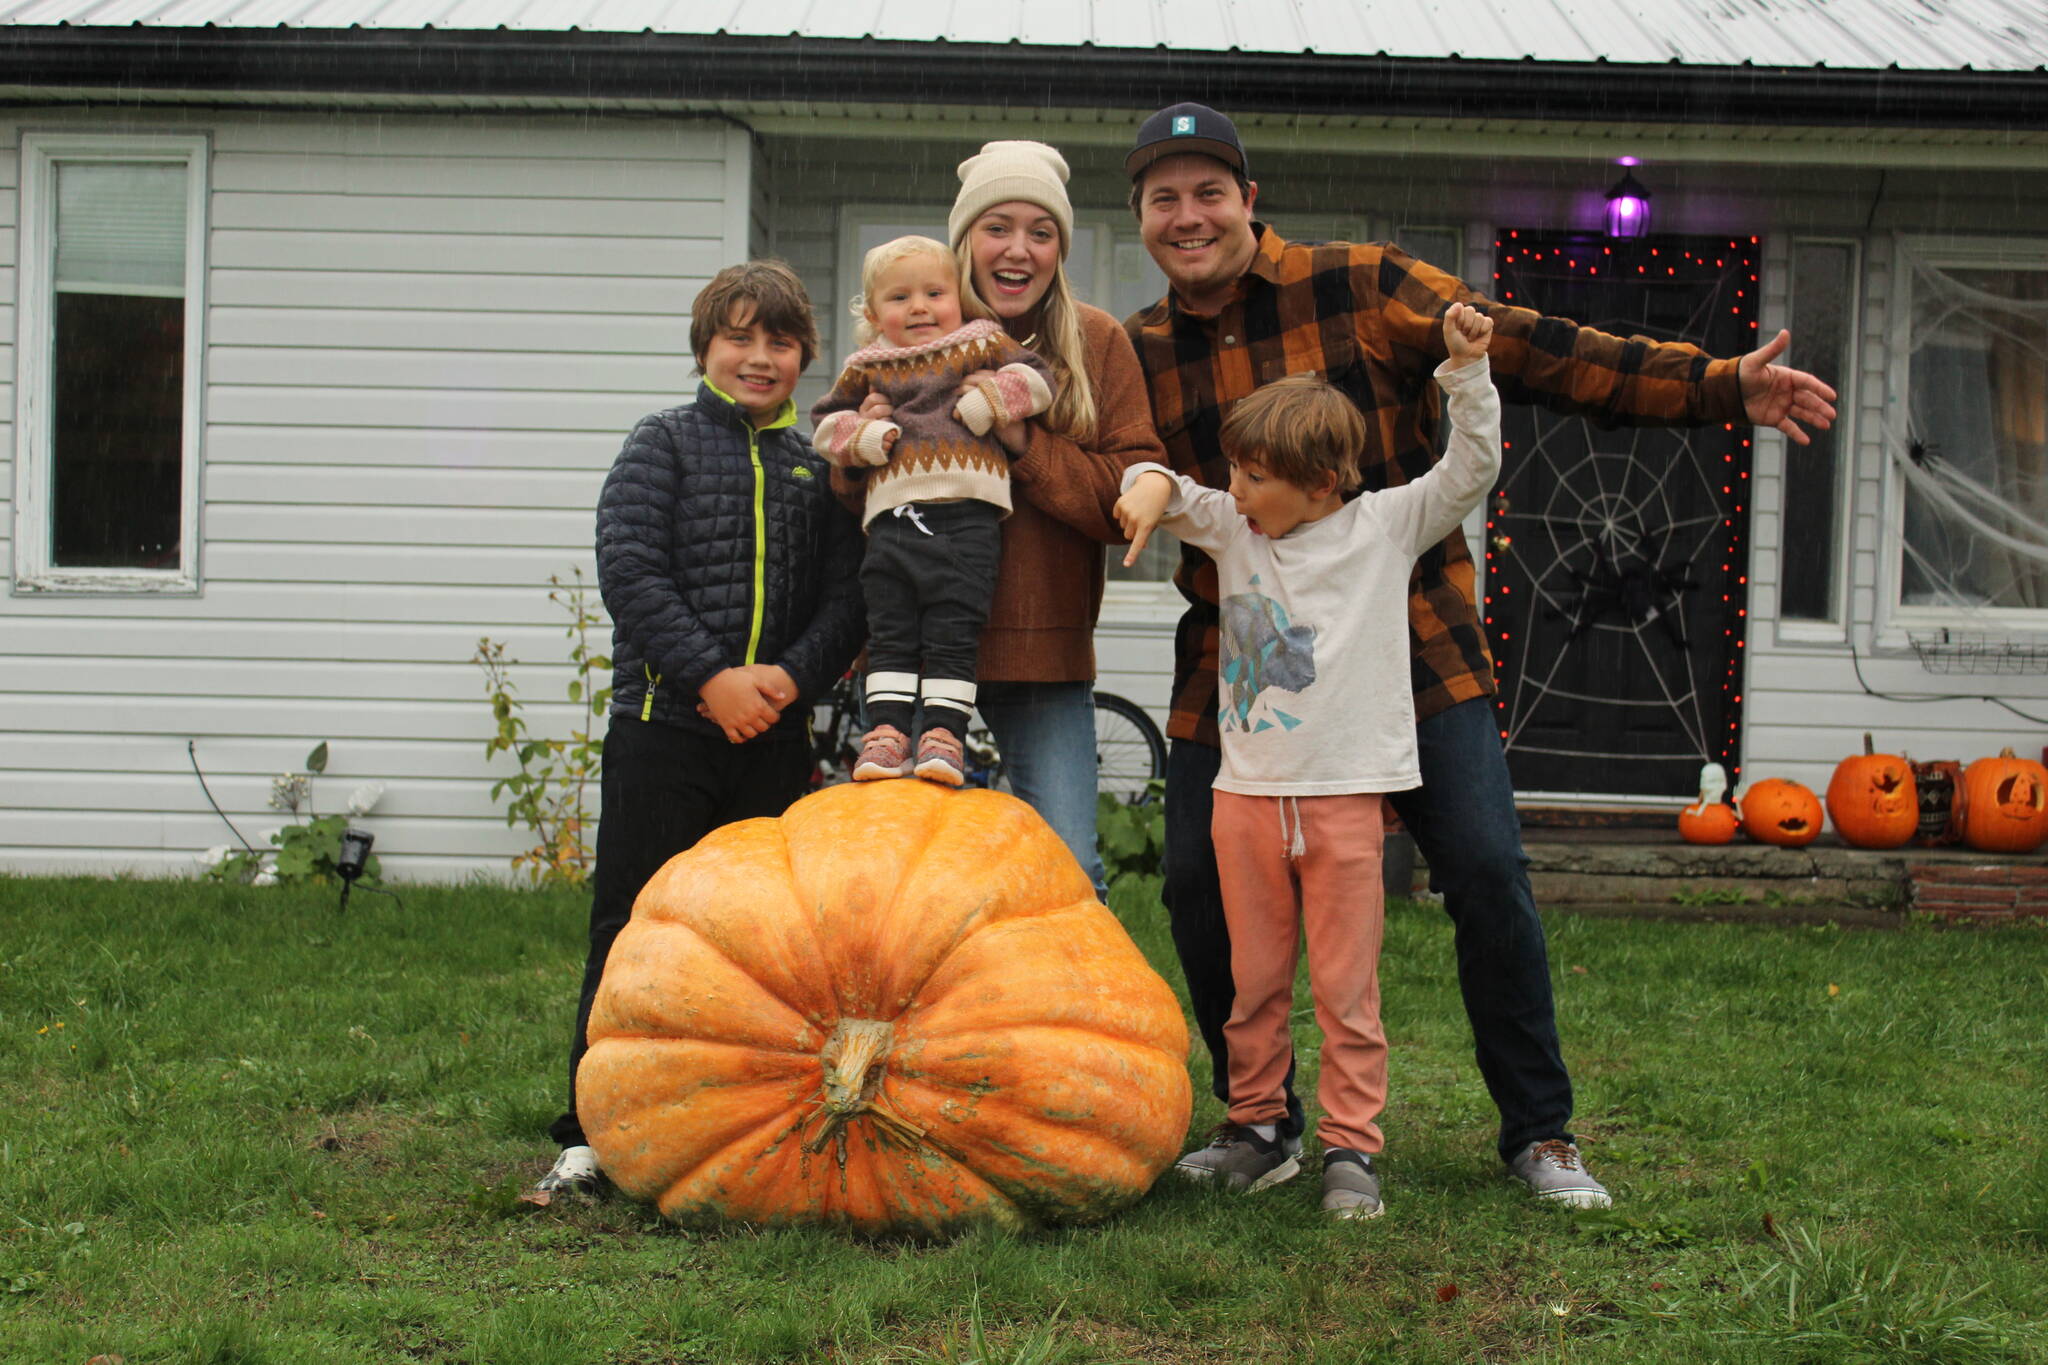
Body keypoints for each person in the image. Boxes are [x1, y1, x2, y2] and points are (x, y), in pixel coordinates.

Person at [1122, 102, 1839, 1208]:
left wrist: (1713, 385)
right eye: (1162, 198)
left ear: (1247, 200)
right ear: (1139, 216)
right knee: (1190, 885)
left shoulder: (1358, 284)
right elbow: (1108, 460)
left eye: (1206, 191)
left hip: (1413, 645)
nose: (1187, 216)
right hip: (1246, 669)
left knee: (1488, 874)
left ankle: (1537, 1133)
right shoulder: (1139, 351)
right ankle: (1257, 1122)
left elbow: (1531, 349)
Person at [1114, 304, 1503, 1219]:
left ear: (1322, 480)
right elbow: (1168, 487)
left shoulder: (1384, 526)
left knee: (1344, 986)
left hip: (1344, 802)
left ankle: (1352, 1149)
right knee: (1254, 981)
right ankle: (1258, 1129)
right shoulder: (1235, 528)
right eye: (1235, 473)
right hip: (1245, 798)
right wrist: (1142, 487)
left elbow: (1471, 468)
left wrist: (1467, 375)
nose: (1235, 489)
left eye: (1253, 476)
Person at [534, 259, 865, 1197]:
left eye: (781, 341)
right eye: (740, 337)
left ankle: (722, 1119)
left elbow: (848, 596)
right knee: (632, 926)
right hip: (664, 730)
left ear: (805, 357)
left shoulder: (818, 468)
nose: (760, 357)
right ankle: (589, 1133)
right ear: (706, 348)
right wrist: (714, 679)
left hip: (773, 742)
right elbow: (631, 576)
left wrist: (788, 681)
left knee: (756, 944)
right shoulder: (663, 446)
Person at [942, 139, 1168, 891]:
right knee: (921, 879)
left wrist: (1025, 443)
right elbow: (854, 486)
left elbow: (1122, 493)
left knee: (1072, 869)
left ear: (1060, 249)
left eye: (1041, 232)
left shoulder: (1099, 343)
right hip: (920, 644)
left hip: (1043, 653)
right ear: (964, 238)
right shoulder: (919, 327)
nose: (1018, 249)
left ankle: (1072, 1012)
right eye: (997, 227)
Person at [812, 235, 1056, 786]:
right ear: (874, 314)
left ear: (960, 299)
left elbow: (1040, 381)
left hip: (967, 521)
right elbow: (826, 425)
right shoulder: (866, 367)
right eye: (899, 298)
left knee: (953, 631)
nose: (919, 307)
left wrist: (993, 400)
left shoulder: (982, 343)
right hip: (892, 524)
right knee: (891, 632)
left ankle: (944, 736)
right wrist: (867, 436)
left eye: (934, 293)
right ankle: (887, 735)